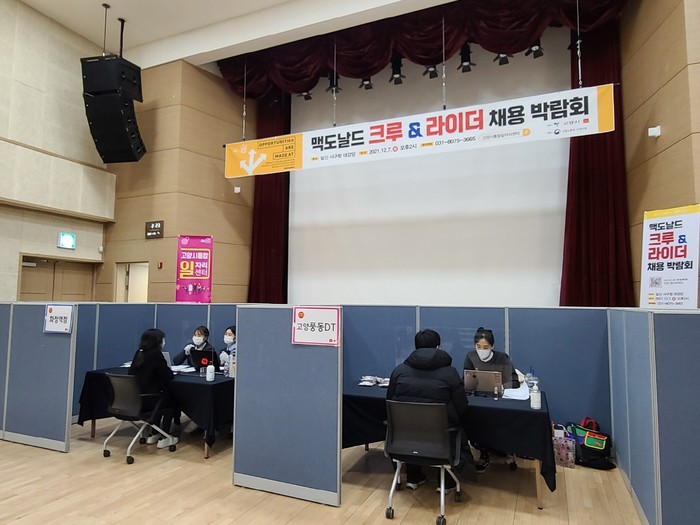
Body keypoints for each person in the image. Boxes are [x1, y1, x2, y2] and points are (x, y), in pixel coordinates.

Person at [387, 329, 480, 493]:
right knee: (450, 427)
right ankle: (446, 483)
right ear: (438, 347)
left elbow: (390, 401)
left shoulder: (399, 371)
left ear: (416, 347)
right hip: (440, 439)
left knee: (412, 425)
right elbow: (461, 406)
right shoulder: (450, 373)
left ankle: (413, 477)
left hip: (404, 439)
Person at [464, 326, 520, 470]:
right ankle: (483, 451)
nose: (481, 350)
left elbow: (514, 382)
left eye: (485, 347)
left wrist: (502, 386)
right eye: (478, 347)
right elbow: (466, 380)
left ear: (492, 346)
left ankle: (499, 447)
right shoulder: (471, 357)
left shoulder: (502, 358)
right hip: (479, 400)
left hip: (499, 401)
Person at [128, 328, 179, 449]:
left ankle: (154, 433)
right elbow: (168, 375)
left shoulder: (139, 353)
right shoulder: (156, 354)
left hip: (135, 400)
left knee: (161, 398)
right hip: (150, 400)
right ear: (157, 340)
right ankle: (165, 436)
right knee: (171, 401)